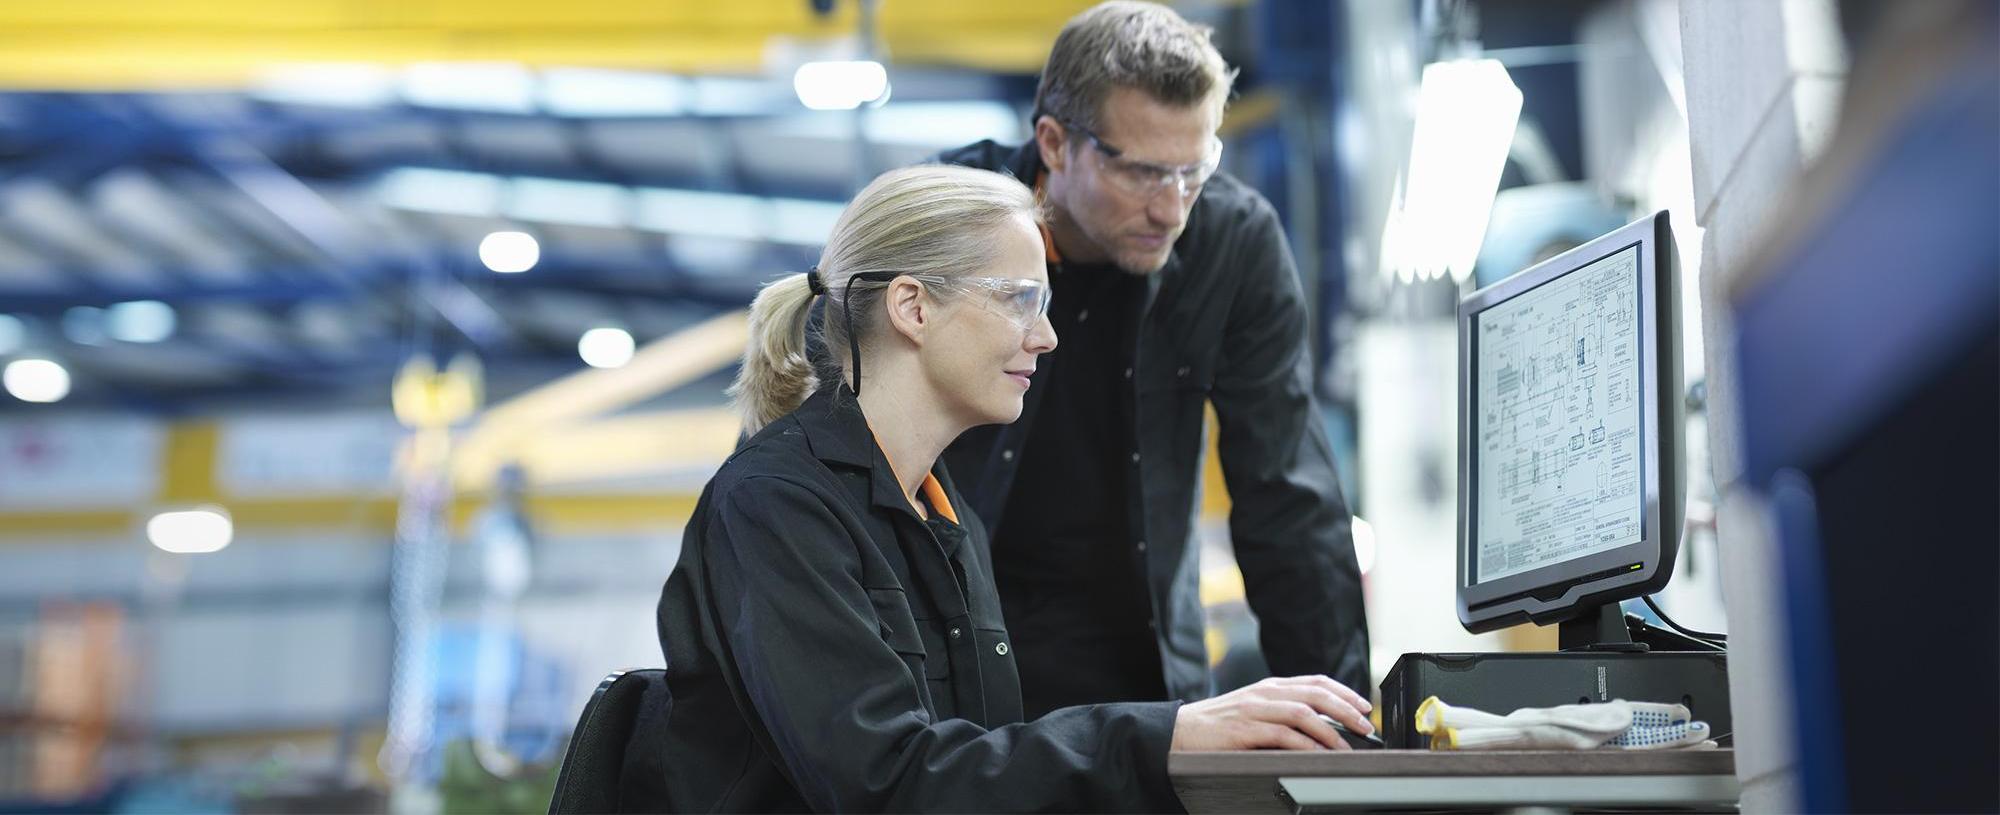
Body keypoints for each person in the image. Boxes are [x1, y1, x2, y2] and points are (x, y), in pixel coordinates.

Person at [647, 165, 1373, 812]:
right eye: (1021, 299)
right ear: (913, 307)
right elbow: (887, 783)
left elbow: (978, 769)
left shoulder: (942, 512)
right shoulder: (777, 505)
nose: (1047, 335)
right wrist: (1170, 732)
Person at [935, 1, 1369, 718]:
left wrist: (1345, 730)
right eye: (1141, 174)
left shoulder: (1232, 243)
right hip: (955, 688)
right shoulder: (943, 224)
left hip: (1142, 692)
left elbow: (1288, 500)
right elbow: (831, 463)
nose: (1173, 209)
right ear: (1053, 143)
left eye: (1193, 172)